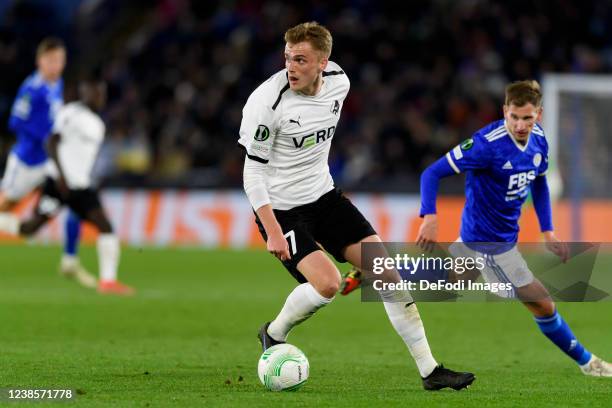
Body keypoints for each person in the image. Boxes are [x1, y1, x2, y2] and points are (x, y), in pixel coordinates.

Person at [239, 21, 475, 391]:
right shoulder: (266, 103)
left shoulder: (340, 83)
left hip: (326, 199)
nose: (291, 67)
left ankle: (430, 371)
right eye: (287, 58)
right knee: (328, 284)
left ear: (323, 62)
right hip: (282, 210)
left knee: (388, 275)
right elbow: (252, 173)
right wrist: (271, 229)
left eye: (301, 60)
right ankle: (273, 332)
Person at [416, 80, 611, 377]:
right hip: (488, 243)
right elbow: (431, 173)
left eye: (527, 118)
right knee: (542, 302)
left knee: (453, 278)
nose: (520, 125)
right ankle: (589, 364)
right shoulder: (485, 145)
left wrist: (548, 231)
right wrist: (429, 216)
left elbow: (540, 182)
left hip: (497, 238)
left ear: (539, 115)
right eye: (514, 117)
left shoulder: (539, 140)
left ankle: (377, 269)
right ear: (505, 110)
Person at [0, 79, 134, 295]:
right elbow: (51, 142)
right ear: (85, 93)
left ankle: (108, 282)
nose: (100, 97)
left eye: (102, 93)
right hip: (58, 184)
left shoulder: (97, 123)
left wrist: (88, 180)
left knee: (106, 227)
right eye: (95, 93)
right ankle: (93, 273)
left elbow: (84, 157)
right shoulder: (72, 113)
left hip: (80, 187)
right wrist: (61, 176)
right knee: (30, 228)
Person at [0, 37, 92, 287]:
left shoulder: (57, 84)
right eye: (51, 60)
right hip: (27, 162)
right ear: (40, 61)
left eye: (60, 60)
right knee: (6, 206)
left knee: (75, 199)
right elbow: (15, 122)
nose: (56, 65)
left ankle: (70, 260)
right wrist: (45, 137)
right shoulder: (32, 88)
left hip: (51, 161)